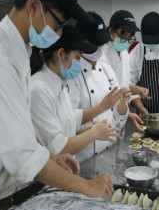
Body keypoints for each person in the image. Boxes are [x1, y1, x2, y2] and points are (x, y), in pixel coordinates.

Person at [0, 0, 113, 207]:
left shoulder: (18, 52)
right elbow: (21, 157)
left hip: (4, 193)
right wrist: (86, 186)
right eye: (59, 24)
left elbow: (17, 136)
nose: (59, 34)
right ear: (34, 6)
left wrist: (50, 159)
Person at [30, 25, 120, 157]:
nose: (79, 63)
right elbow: (57, 148)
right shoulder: (38, 89)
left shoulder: (60, 83)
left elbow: (66, 126)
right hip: (47, 172)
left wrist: (85, 130)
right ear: (61, 54)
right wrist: (93, 134)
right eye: (77, 57)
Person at [68, 12, 131, 161]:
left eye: (101, 43)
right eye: (95, 44)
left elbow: (118, 115)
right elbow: (69, 119)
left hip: (109, 151)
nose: (99, 48)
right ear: (82, 41)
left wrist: (122, 101)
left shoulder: (106, 69)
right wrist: (102, 107)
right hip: (85, 156)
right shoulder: (72, 72)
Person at [100, 10, 148, 132]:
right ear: (111, 31)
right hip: (104, 120)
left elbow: (123, 84)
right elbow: (106, 92)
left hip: (120, 115)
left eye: (130, 37)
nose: (126, 40)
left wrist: (135, 89)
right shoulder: (101, 55)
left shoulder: (124, 52)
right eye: (123, 35)